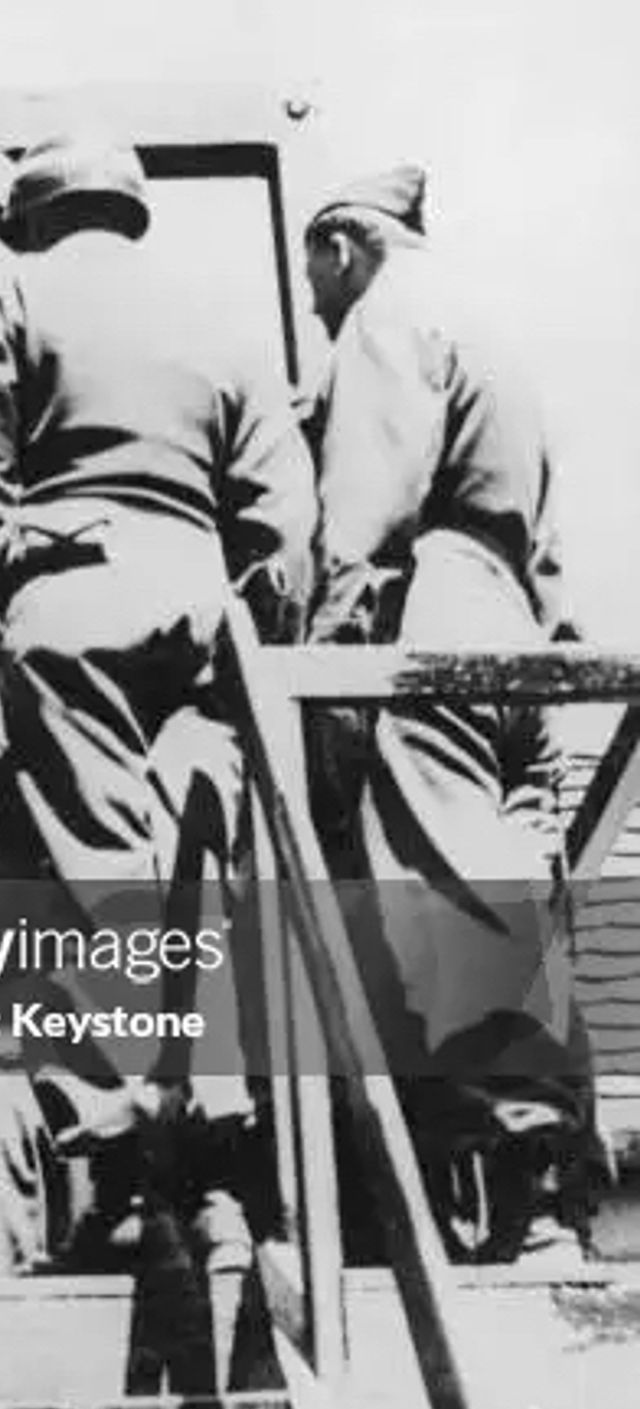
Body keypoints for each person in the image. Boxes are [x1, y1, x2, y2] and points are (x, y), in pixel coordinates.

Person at [0, 135, 318, 1282]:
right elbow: (284, 517)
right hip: (202, 609)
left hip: (67, 607)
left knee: (95, 881)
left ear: (32, 215)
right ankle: (222, 1186)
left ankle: (143, 1170)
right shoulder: (222, 315)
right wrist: (251, 643)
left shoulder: (6, 290)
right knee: (198, 874)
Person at [297, 165, 598, 1264]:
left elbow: (362, 513)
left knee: (448, 906)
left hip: (430, 617)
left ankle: (507, 1193)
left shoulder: (384, 318)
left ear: (339, 247)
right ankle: (552, 1196)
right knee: (521, 908)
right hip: (517, 637)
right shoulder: (489, 324)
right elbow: (546, 531)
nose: (318, 308)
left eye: (313, 284)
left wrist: (321, 674)